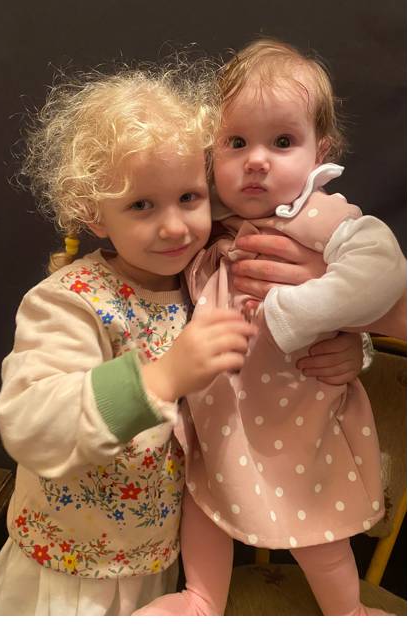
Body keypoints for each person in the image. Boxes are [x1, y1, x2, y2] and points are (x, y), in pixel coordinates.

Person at [0, 61, 370, 617]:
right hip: (68, 573)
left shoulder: (207, 273)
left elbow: (281, 332)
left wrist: (351, 350)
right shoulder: (71, 301)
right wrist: (159, 379)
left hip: (161, 567)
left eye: (189, 197)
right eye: (141, 205)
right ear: (94, 214)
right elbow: (29, 422)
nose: (175, 227)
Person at [134, 39, 406, 617]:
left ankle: (347, 610)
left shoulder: (320, 216)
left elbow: (382, 271)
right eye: (236, 143)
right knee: (204, 507)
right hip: (220, 414)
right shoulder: (206, 220)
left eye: (282, 142)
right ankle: (202, 596)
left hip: (297, 414)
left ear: (319, 151)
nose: (256, 160)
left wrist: (305, 312)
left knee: (315, 527)